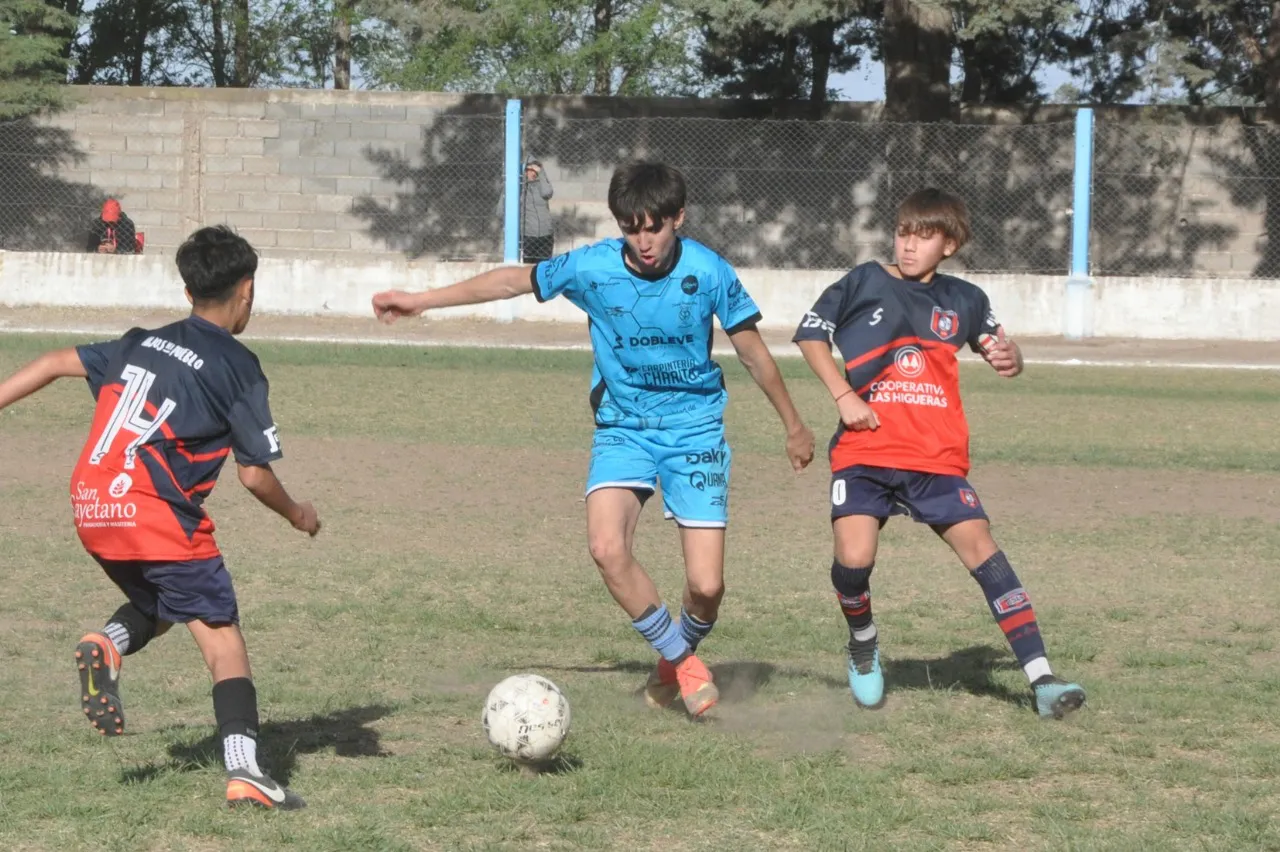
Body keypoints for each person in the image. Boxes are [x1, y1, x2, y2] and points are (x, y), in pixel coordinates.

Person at [373, 161, 815, 717]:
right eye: (631, 228)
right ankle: (683, 663)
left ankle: (672, 662)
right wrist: (420, 301)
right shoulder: (593, 268)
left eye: (654, 226)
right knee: (607, 548)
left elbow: (750, 350)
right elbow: (514, 280)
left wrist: (793, 424)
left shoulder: (709, 271)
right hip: (623, 427)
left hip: (694, 428)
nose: (644, 240)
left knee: (705, 587)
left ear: (679, 217)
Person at [0, 226, 320, 808]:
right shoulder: (238, 366)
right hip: (154, 510)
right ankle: (246, 770)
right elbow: (254, 475)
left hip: (93, 504)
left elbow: (49, 362)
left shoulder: (140, 342)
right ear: (246, 290)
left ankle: (109, 643)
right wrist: (298, 514)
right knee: (223, 639)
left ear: (186, 289)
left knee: (163, 598)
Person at [791, 188, 1087, 719]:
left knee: (985, 552)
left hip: (936, 456)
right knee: (854, 561)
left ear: (949, 244)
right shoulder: (863, 280)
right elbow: (812, 337)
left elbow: (1000, 344)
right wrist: (845, 395)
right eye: (904, 233)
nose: (908, 245)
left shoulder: (966, 299)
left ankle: (1042, 680)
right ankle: (863, 641)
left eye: (923, 237)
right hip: (867, 450)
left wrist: (1010, 356)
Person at [520, 159, 555, 263]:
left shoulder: (542, 184)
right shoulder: (520, 187)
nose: (531, 172)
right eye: (528, 169)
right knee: (527, 268)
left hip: (545, 235)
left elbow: (547, 193)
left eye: (534, 170)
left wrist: (541, 172)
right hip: (528, 235)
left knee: (544, 267)